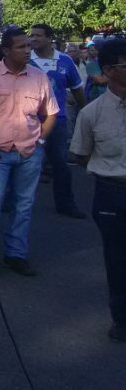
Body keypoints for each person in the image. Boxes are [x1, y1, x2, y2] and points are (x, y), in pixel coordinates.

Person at [0, 28, 58, 276]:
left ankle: (15, 254)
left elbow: (50, 113)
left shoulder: (39, 77)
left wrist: (40, 142)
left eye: (28, 46)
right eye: (21, 47)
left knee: (24, 205)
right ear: (7, 51)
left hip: (29, 152)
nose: (27, 50)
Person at [69, 38, 126, 342]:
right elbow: (79, 154)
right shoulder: (91, 113)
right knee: (117, 259)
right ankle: (122, 319)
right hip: (112, 193)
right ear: (109, 70)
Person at [29, 24, 88, 218]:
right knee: (21, 162)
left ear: (50, 38)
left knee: (61, 165)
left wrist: (85, 113)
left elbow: (77, 88)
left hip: (56, 121)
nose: (34, 39)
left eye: (38, 35)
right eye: (32, 35)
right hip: (27, 122)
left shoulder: (65, 61)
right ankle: (11, 202)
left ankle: (66, 204)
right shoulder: (25, 59)